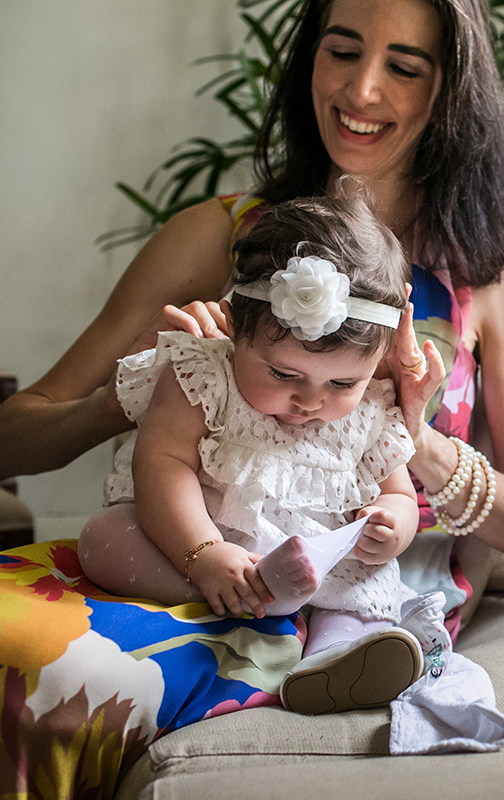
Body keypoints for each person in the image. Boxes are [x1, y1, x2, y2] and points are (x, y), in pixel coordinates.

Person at [0, 0, 504, 792]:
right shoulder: (220, 234)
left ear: (451, 92)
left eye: (405, 68)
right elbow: (6, 443)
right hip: (184, 559)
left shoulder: (491, 275)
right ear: (308, 58)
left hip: (348, 610)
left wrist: (406, 432)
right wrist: (141, 388)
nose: (362, 90)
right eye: (341, 51)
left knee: (53, 681)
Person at [79, 192, 443, 714]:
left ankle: (337, 658)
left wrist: (392, 525)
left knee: (365, 592)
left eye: (342, 381)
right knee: (103, 539)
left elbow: (398, 494)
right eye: (282, 373)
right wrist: (204, 553)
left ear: (379, 360)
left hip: (314, 564)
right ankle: (260, 600)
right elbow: (162, 464)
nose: (311, 400)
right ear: (235, 326)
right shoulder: (205, 375)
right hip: (193, 542)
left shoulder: (373, 410)